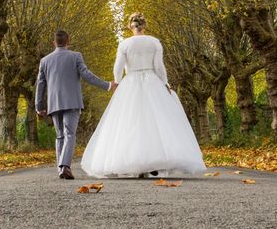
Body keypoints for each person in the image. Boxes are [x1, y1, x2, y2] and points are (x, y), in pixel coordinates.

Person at [81, 13, 206, 178]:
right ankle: (156, 161)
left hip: (130, 82)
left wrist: (117, 82)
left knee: (129, 121)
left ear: (129, 26)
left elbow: (118, 67)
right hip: (152, 80)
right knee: (156, 121)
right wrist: (165, 83)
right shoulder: (154, 42)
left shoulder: (124, 44)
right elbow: (159, 66)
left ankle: (131, 162)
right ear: (144, 25)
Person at [35, 30, 117, 179]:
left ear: (54, 43)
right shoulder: (75, 56)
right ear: (68, 42)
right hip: (72, 101)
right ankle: (65, 166)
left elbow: (40, 85)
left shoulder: (45, 61)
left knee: (60, 135)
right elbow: (87, 75)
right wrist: (107, 85)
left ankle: (61, 167)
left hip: (54, 103)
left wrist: (39, 106)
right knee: (70, 134)